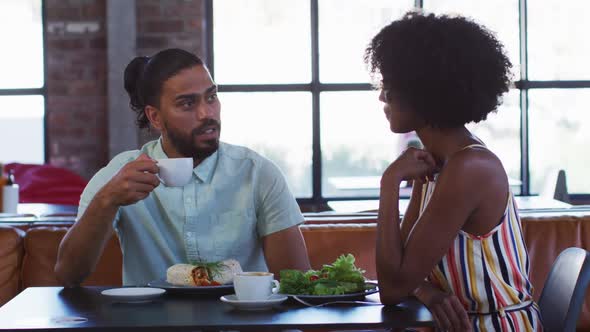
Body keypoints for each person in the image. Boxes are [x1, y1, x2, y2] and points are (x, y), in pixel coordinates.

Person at [55, 48, 311, 287]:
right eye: (187, 104)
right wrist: (106, 201)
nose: (206, 113)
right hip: (154, 322)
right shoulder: (121, 175)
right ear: (155, 117)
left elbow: (296, 282)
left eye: (211, 97)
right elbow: (68, 274)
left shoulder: (257, 172)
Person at [365, 12, 542, 331]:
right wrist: (424, 290)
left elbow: (391, 290)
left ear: (424, 93)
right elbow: (400, 274)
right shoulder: (435, 161)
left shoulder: (469, 167)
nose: (381, 97)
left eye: (390, 88)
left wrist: (389, 182)